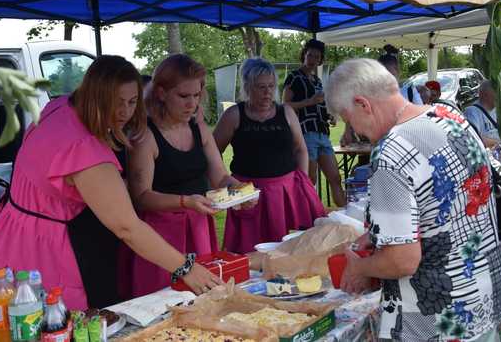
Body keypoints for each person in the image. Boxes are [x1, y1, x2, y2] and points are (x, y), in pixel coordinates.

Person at [0, 55, 220, 310]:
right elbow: (127, 227)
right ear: (95, 96)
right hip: (43, 253)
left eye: (132, 101)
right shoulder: (84, 150)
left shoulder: (59, 107)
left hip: (11, 233)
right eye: (115, 103)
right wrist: (186, 268)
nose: (124, 112)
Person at [326, 58, 501, 341]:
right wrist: (379, 234)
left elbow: (402, 261)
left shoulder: (390, 153)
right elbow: (448, 204)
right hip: (482, 299)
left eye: (349, 120)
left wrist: (359, 267)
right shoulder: (451, 117)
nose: (356, 132)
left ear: (364, 104)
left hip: (436, 323)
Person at [127, 54, 239, 296]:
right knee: (164, 301)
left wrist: (239, 190)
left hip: (198, 226)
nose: (192, 104)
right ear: (160, 93)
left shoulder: (199, 129)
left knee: (204, 296)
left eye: (197, 95)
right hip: (160, 234)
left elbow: (220, 177)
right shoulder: (146, 136)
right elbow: (140, 196)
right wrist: (185, 202)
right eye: (183, 96)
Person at [213, 58, 326, 253]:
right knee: (251, 252)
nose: (267, 93)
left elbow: (300, 149)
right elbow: (212, 154)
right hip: (248, 195)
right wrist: (227, 185)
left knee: (292, 249)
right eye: (260, 87)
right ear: (248, 87)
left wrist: (303, 181)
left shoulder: (287, 112)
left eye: (271, 86)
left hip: (286, 191)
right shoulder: (233, 115)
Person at [283, 39, 345, 206]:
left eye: (316, 57)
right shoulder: (293, 77)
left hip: (322, 133)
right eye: (310, 55)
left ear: (320, 60)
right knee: (309, 180)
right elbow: (285, 106)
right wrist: (309, 102)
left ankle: (348, 216)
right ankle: (308, 220)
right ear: (304, 55)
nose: (312, 60)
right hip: (305, 133)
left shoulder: (317, 81)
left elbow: (320, 106)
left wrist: (329, 116)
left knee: (335, 177)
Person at [463, 81, 500, 148]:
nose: (500, 97)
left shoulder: (498, 111)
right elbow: (473, 138)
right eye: (497, 93)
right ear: (485, 95)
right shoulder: (472, 112)